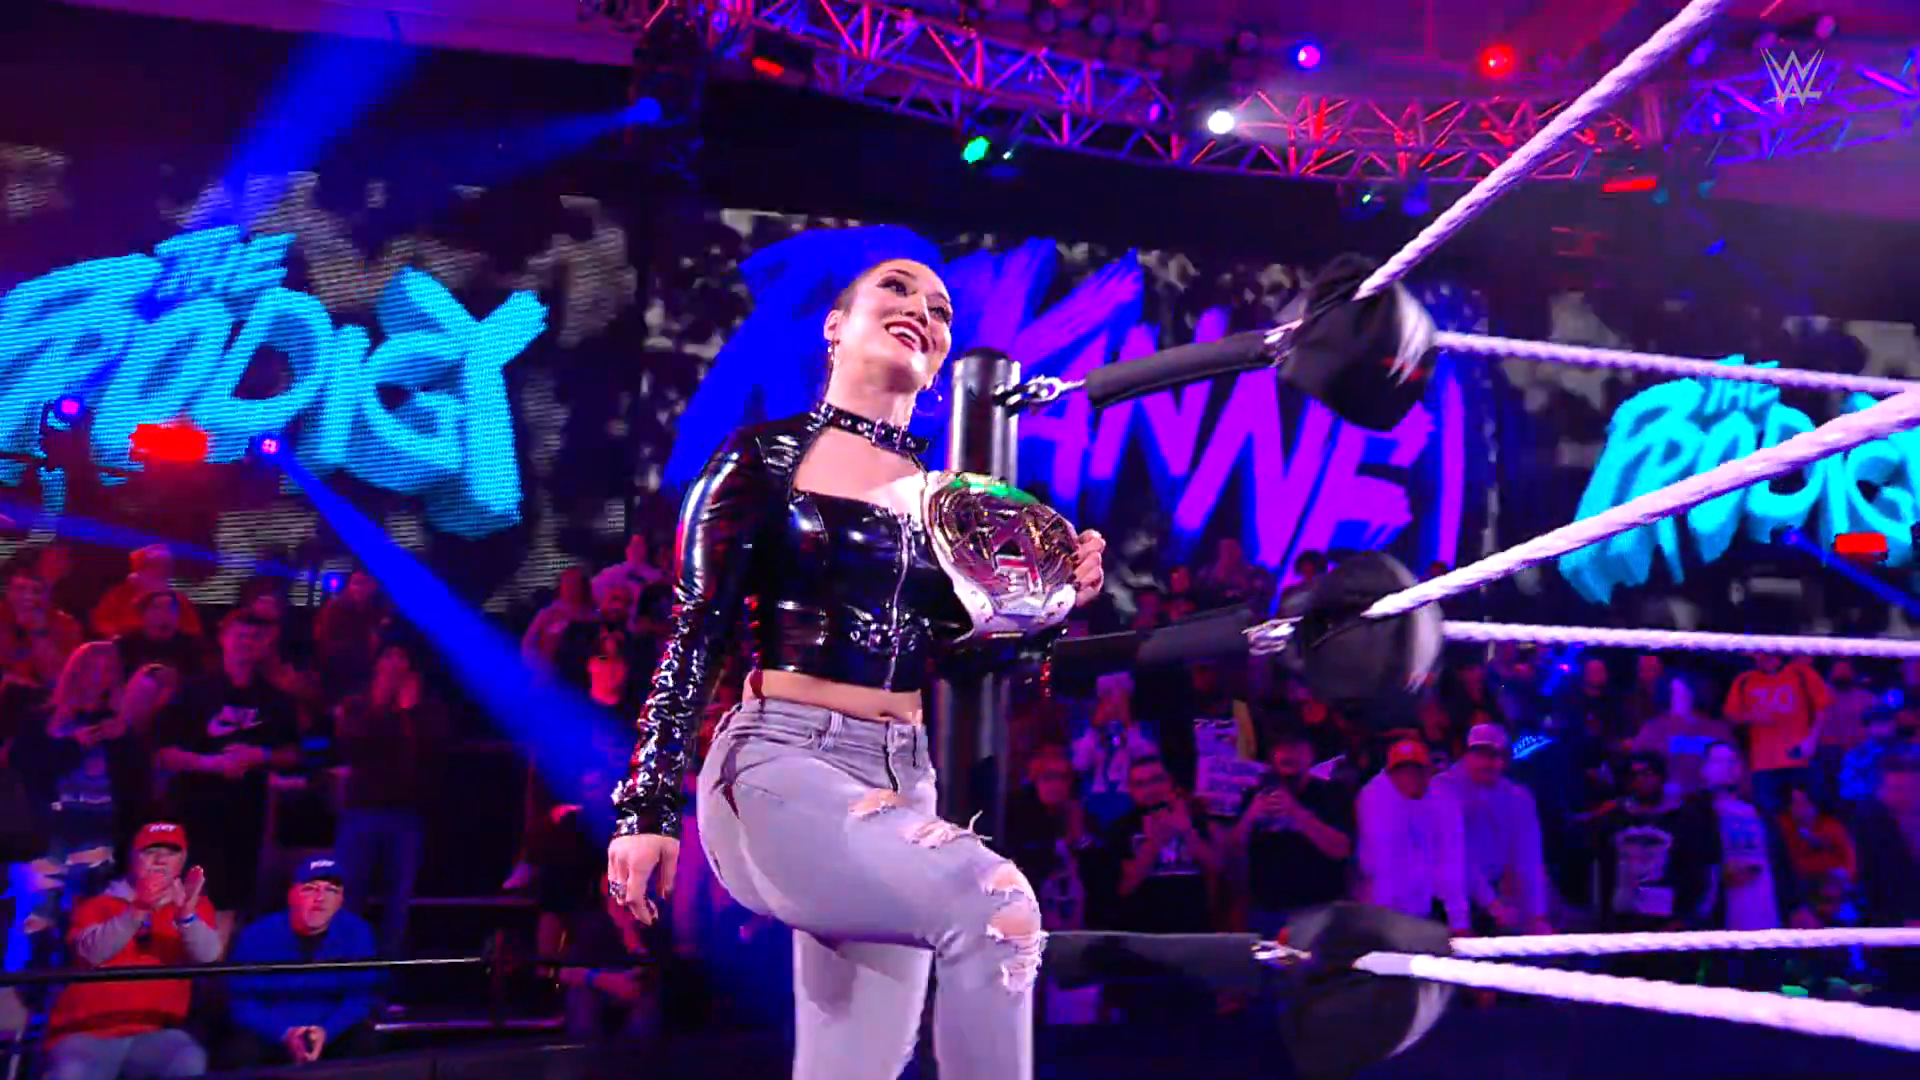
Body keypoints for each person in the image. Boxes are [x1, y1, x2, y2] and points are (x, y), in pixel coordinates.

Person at [605, 256, 1105, 1080]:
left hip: (904, 781)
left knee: (853, 1067)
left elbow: (961, 657)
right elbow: (696, 631)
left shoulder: (946, 504)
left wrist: (1058, 600)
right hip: (779, 768)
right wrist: (646, 807)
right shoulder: (762, 458)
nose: (922, 310)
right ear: (836, 327)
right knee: (999, 907)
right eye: (897, 290)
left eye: (940, 309)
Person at [41, 822, 218, 1080]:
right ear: (132, 858)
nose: (160, 860)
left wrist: (186, 918)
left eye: (171, 853)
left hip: (155, 1034)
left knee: (187, 1059)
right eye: (150, 852)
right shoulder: (96, 902)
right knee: (70, 1072)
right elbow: (91, 953)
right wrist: (137, 910)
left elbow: (208, 956)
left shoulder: (194, 905)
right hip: (85, 1033)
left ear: (183, 860)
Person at [223, 856, 382, 1068]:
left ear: (341, 899)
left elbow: (360, 998)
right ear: (292, 895)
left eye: (331, 890)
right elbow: (241, 1003)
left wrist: (326, 1031)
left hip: (330, 1034)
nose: (321, 898)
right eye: (310, 889)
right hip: (273, 1036)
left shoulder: (357, 932)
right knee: (240, 1051)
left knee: (365, 1042)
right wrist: (285, 1034)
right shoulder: (256, 935)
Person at [1436, 724, 1553, 936]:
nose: (1492, 763)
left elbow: (1529, 856)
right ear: (1467, 754)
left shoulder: (1518, 796)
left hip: (1502, 895)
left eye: (1498, 756)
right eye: (1483, 754)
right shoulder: (1443, 790)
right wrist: (1492, 904)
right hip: (1450, 900)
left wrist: (1537, 915)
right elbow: (1455, 857)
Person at [1356, 739, 1469, 936]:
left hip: (1426, 907)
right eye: (1402, 772)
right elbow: (1381, 865)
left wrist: (1459, 919)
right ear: (1390, 774)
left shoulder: (1444, 798)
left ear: (1428, 772)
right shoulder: (1373, 799)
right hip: (1383, 910)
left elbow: (1451, 857)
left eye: (1417, 771)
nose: (1410, 778)